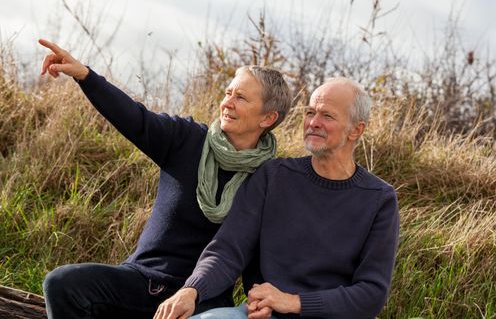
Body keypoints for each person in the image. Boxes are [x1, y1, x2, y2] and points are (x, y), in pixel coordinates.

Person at [38, 39, 292, 319]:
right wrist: (84, 75)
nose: (227, 103)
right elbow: (135, 118)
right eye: (228, 92)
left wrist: (262, 300)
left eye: (241, 97)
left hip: (202, 299)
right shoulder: (186, 138)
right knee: (62, 283)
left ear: (267, 118)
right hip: (140, 279)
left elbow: (259, 253)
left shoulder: (269, 179)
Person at [154, 78, 400, 319]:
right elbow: (228, 249)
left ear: (356, 130)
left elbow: (371, 293)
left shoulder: (379, 199)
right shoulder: (273, 176)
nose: (313, 122)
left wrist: (294, 302)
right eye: (310, 112)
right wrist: (192, 289)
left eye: (327, 116)